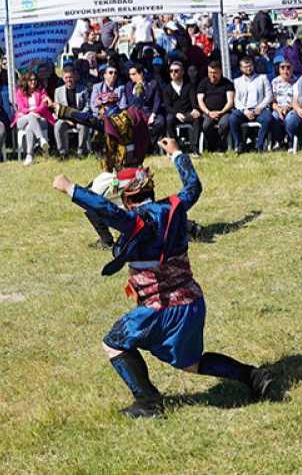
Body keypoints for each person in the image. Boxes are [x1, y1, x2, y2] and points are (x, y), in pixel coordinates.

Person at [50, 138, 273, 418]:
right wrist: (177, 154)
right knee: (191, 364)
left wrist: (70, 188)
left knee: (113, 343)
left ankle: (148, 402)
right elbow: (194, 187)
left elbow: (105, 211)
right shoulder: (174, 208)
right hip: (192, 301)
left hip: (160, 309)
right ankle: (253, 376)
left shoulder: (134, 222)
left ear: (127, 197)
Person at [229, 56, 274, 153]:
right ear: (241, 68)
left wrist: (260, 107)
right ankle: (240, 144)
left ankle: (259, 145)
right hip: (244, 110)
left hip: (259, 109)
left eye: (250, 66)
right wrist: (245, 111)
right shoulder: (237, 81)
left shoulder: (262, 78)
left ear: (253, 66)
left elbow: (269, 96)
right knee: (233, 118)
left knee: (268, 118)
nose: (248, 69)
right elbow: (237, 100)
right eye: (245, 67)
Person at [12, 71, 54, 166]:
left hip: (37, 118)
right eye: (30, 80)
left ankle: (29, 156)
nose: (33, 82)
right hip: (22, 119)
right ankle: (41, 139)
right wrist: (32, 112)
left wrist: (35, 112)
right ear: (26, 81)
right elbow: (22, 108)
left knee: (29, 128)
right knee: (31, 117)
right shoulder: (19, 92)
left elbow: (44, 106)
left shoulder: (41, 91)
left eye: (35, 79)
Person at [162, 61, 201, 152]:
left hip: (188, 113)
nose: (173, 73)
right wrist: (176, 114)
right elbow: (167, 106)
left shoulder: (189, 86)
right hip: (174, 114)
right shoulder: (167, 88)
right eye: (171, 71)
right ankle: (175, 147)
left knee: (197, 118)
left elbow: (193, 101)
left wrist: (195, 109)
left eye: (176, 71)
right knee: (169, 120)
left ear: (182, 72)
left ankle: (194, 147)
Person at [196, 61, 235, 152]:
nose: (212, 75)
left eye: (215, 73)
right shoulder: (203, 83)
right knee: (206, 125)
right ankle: (211, 146)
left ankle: (221, 146)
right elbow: (200, 101)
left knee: (224, 124)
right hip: (208, 112)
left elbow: (230, 102)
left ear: (220, 72)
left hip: (224, 112)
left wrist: (221, 112)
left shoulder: (227, 83)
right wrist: (209, 112)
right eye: (210, 72)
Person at [53, 67, 91, 158]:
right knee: (58, 126)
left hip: (79, 117)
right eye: (66, 78)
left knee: (83, 126)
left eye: (70, 77)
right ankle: (62, 152)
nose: (69, 80)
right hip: (65, 118)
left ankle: (81, 151)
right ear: (63, 78)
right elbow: (57, 109)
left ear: (74, 77)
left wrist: (79, 116)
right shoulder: (58, 91)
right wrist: (66, 119)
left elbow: (87, 106)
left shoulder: (83, 89)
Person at [123, 64, 165, 144]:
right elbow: (130, 103)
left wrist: (153, 115)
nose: (130, 76)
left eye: (133, 74)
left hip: (149, 111)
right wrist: (136, 93)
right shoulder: (129, 86)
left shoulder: (152, 83)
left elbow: (157, 101)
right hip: (135, 112)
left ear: (141, 74)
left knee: (160, 122)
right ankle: (142, 145)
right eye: (130, 74)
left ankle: (149, 143)